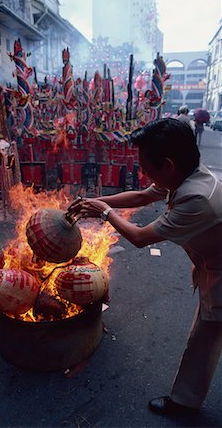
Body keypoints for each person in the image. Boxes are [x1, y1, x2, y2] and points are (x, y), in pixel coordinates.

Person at [68, 118, 222, 416]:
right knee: (206, 334)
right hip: (213, 264)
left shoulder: (196, 199)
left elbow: (139, 237)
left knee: (205, 336)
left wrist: (104, 212)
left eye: (146, 167)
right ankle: (186, 400)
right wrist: (93, 202)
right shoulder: (188, 177)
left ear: (168, 165)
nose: (143, 173)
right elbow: (141, 197)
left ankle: (184, 404)